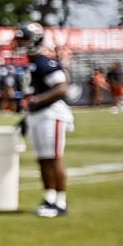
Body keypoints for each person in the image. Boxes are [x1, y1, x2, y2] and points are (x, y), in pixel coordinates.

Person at [16, 22, 73, 218]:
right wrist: (27, 116)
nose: (19, 42)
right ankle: (49, 198)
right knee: (42, 159)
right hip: (37, 115)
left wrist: (38, 100)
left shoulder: (43, 61)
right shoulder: (30, 62)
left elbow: (61, 88)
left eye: (22, 38)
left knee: (53, 157)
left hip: (52, 113)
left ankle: (60, 202)